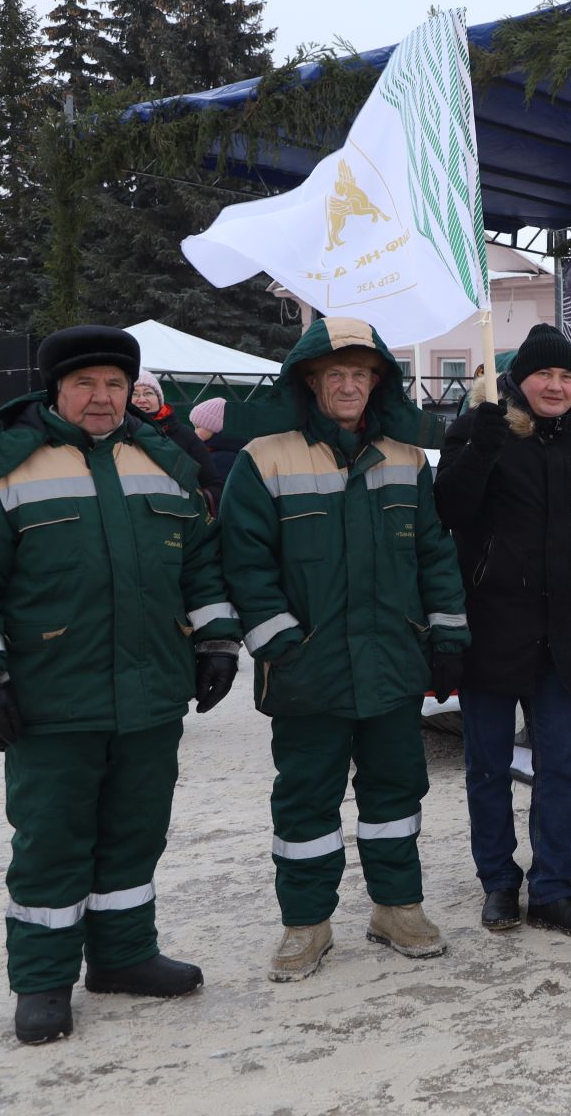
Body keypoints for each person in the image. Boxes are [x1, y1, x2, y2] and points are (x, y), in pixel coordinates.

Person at [0, 325, 241, 1045]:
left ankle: (124, 957)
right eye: (85, 384)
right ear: (55, 390)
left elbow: (201, 562)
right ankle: (41, 981)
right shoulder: (0, 467)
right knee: (52, 838)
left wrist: (218, 638)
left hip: (151, 689)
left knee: (135, 831)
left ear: (131, 390)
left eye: (114, 384)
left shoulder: (163, 460)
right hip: (51, 694)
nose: (102, 398)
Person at [220, 317, 469, 982]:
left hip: (391, 662)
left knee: (395, 794)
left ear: (376, 381)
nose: (350, 385)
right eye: (337, 374)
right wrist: (278, 642)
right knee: (306, 801)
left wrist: (447, 635)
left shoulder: (405, 457)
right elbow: (244, 562)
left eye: (362, 374)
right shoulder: (264, 458)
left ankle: (398, 908)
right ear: (310, 380)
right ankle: (306, 924)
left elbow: (434, 553)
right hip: (308, 670)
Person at [434, 325, 571, 936]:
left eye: (568, 377)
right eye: (546, 375)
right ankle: (498, 883)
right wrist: (480, 445)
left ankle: (551, 889)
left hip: (560, 631)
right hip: (492, 627)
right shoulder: (479, 428)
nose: (557, 386)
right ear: (519, 379)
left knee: (561, 767)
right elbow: (450, 510)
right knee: (487, 766)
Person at [129, 370, 222, 510]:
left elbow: (213, 484)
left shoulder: (185, 435)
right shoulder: (114, 434)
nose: (141, 399)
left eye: (148, 393)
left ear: (159, 399)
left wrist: (194, 505)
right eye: (134, 394)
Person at [188, 396, 243, 503]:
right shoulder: (225, 451)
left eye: (198, 427)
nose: (195, 432)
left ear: (214, 427)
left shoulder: (220, 458)